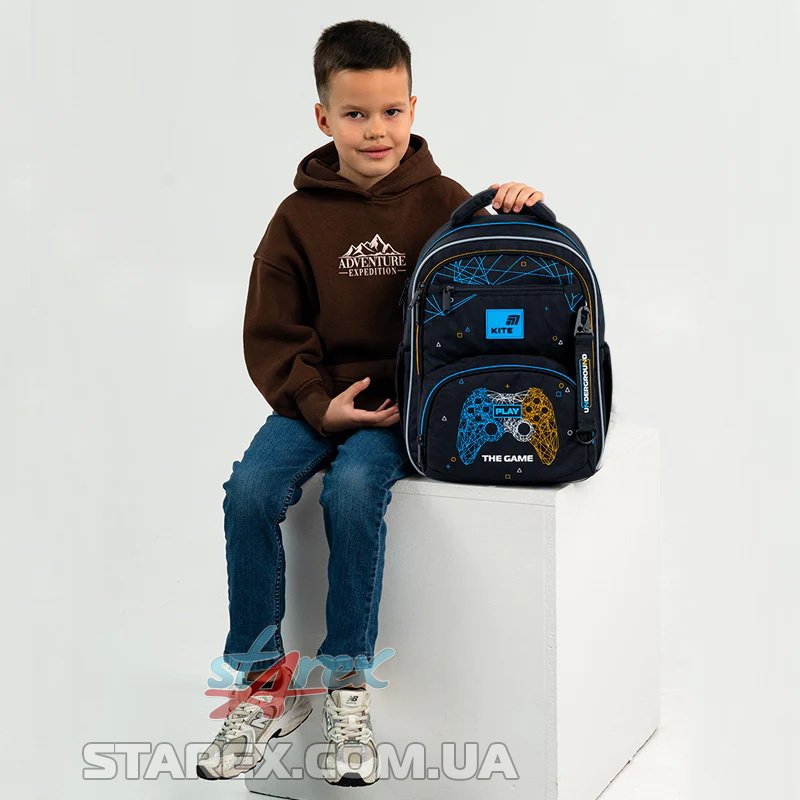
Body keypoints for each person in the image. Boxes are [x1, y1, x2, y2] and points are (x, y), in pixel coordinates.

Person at [197, 18, 545, 787]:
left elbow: (486, 281)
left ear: (413, 109)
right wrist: (318, 404)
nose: (376, 130)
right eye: (355, 114)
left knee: (353, 490)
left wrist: (511, 208)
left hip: (401, 408)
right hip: (313, 400)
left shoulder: (444, 201)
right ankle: (263, 683)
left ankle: (347, 684)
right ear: (323, 117)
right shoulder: (295, 219)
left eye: (391, 111)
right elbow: (271, 331)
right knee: (249, 491)